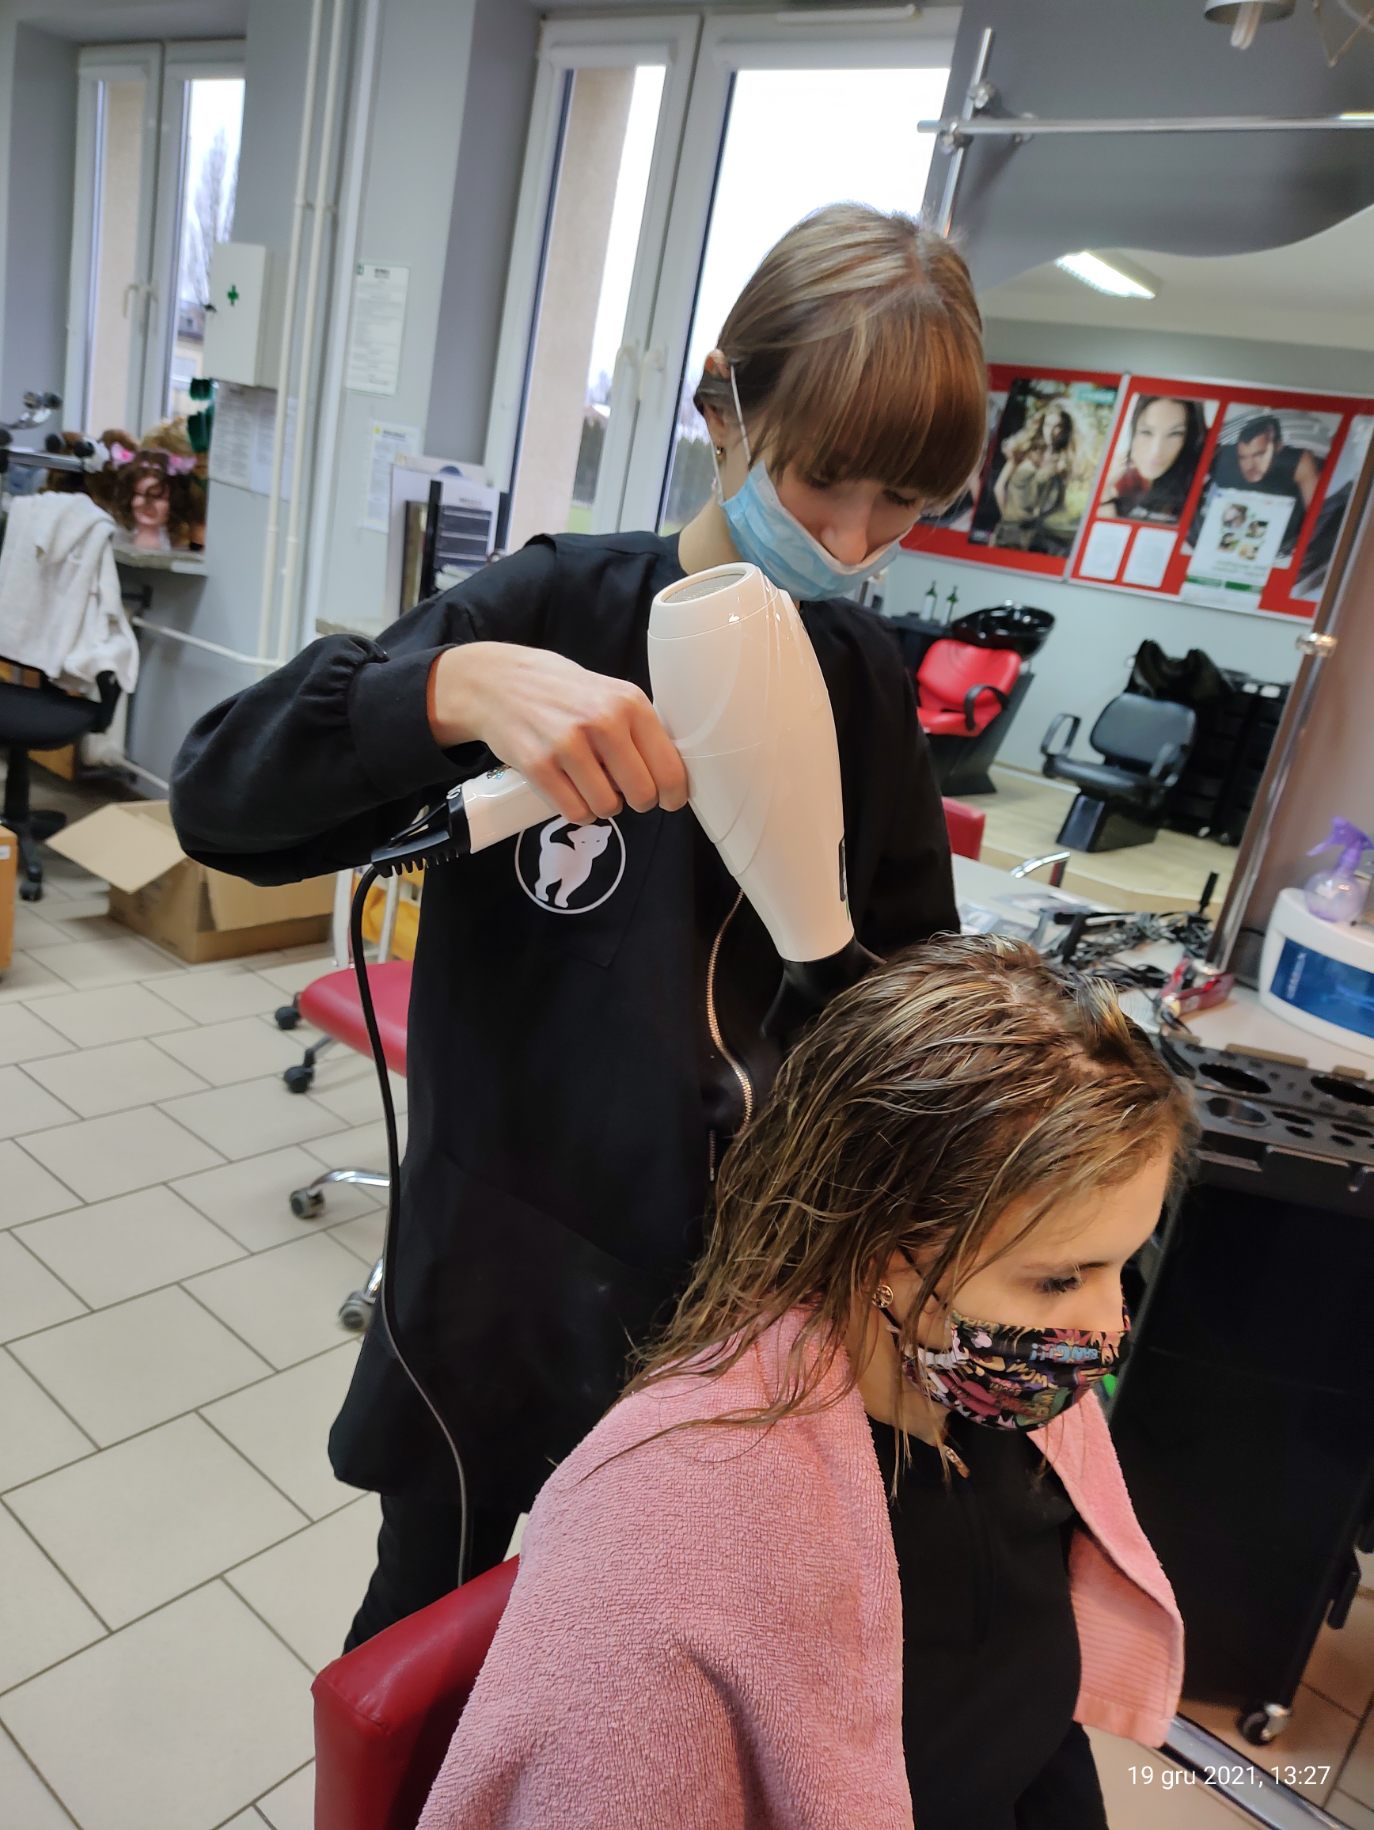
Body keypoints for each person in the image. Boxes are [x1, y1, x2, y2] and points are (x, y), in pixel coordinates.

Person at [167, 203, 987, 1648]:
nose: (855, 540)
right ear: (722, 406)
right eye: (823, 479)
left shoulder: (861, 677)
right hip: (499, 1266)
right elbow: (219, 800)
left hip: (725, 1303)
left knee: (623, 1657)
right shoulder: (553, 608)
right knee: (425, 1628)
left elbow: (899, 978)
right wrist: (448, 688)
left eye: (902, 503)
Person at [417, 936, 1194, 1830]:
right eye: (1060, 1280)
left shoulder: (1005, 1404)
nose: (1108, 1328)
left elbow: (1038, 1729)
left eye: (1123, 1268)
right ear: (880, 1245)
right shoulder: (677, 1527)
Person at [1190, 412, 1321, 556]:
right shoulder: (1222, 456)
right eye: (1243, 457)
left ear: (1278, 446)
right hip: (1224, 544)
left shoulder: (1298, 461)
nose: (1250, 465)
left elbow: (1319, 518)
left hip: (1282, 547)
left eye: (1259, 454)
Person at [1102, 394, 1208, 524]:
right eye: (1146, 432)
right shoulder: (1122, 480)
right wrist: (1105, 489)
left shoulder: (1196, 489)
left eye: (1175, 434)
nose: (1156, 451)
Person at [989, 402, 1075, 552]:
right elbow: (999, 488)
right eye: (1048, 425)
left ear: (1063, 429)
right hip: (1008, 527)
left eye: (1057, 426)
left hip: (1031, 533)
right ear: (1042, 425)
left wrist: (1038, 518)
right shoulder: (1024, 451)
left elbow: (1059, 502)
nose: (1051, 431)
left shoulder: (1061, 463)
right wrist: (1007, 519)